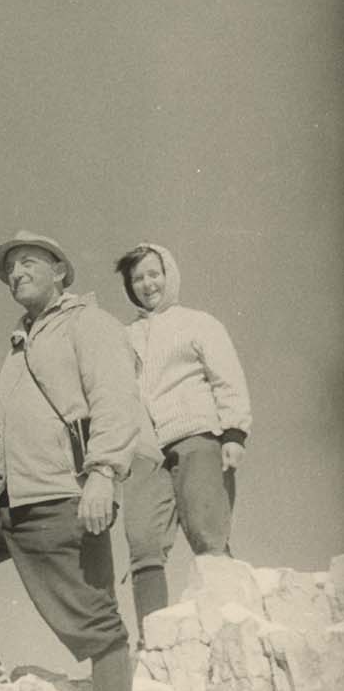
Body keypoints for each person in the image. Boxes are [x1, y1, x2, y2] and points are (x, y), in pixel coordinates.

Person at [0, 231, 140, 691]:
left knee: (96, 619)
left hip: (66, 492)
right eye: (10, 268)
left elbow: (115, 398)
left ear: (60, 271)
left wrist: (103, 473)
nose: (17, 273)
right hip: (15, 499)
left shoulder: (89, 324)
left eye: (29, 262)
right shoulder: (18, 345)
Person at [114, 242, 252, 641]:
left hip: (197, 435)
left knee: (208, 532)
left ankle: (231, 629)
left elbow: (226, 376)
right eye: (137, 278)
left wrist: (234, 433)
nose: (147, 285)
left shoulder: (198, 323)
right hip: (147, 449)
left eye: (153, 274)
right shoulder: (124, 337)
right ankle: (155, 640)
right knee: (143, 542)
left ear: (169, 275)